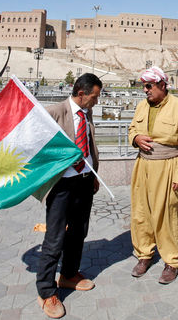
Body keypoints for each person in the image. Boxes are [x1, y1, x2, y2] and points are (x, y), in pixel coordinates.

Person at [36, 73, 102, 319]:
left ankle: (69, 275)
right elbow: (37, 144)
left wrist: (93, 173)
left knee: (78, 232)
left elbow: (90, 144)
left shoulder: (87, 112)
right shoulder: (54, 112)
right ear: (82, 93)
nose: (96, 101)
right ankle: (45, 292)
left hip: (84, 182)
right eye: (94, 96)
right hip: (62, 186)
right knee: (54, 239)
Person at [128, 66, 178, 285]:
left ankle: (172, 261)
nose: (145, 90)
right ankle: (144, 254)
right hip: (142, 165)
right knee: (141, 213)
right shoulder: (141, 106)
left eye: (149, 86)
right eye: (143, 86)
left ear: (162, 85)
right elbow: (131, 129)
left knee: (166, 215)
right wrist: (136, 137)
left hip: (168, 167)